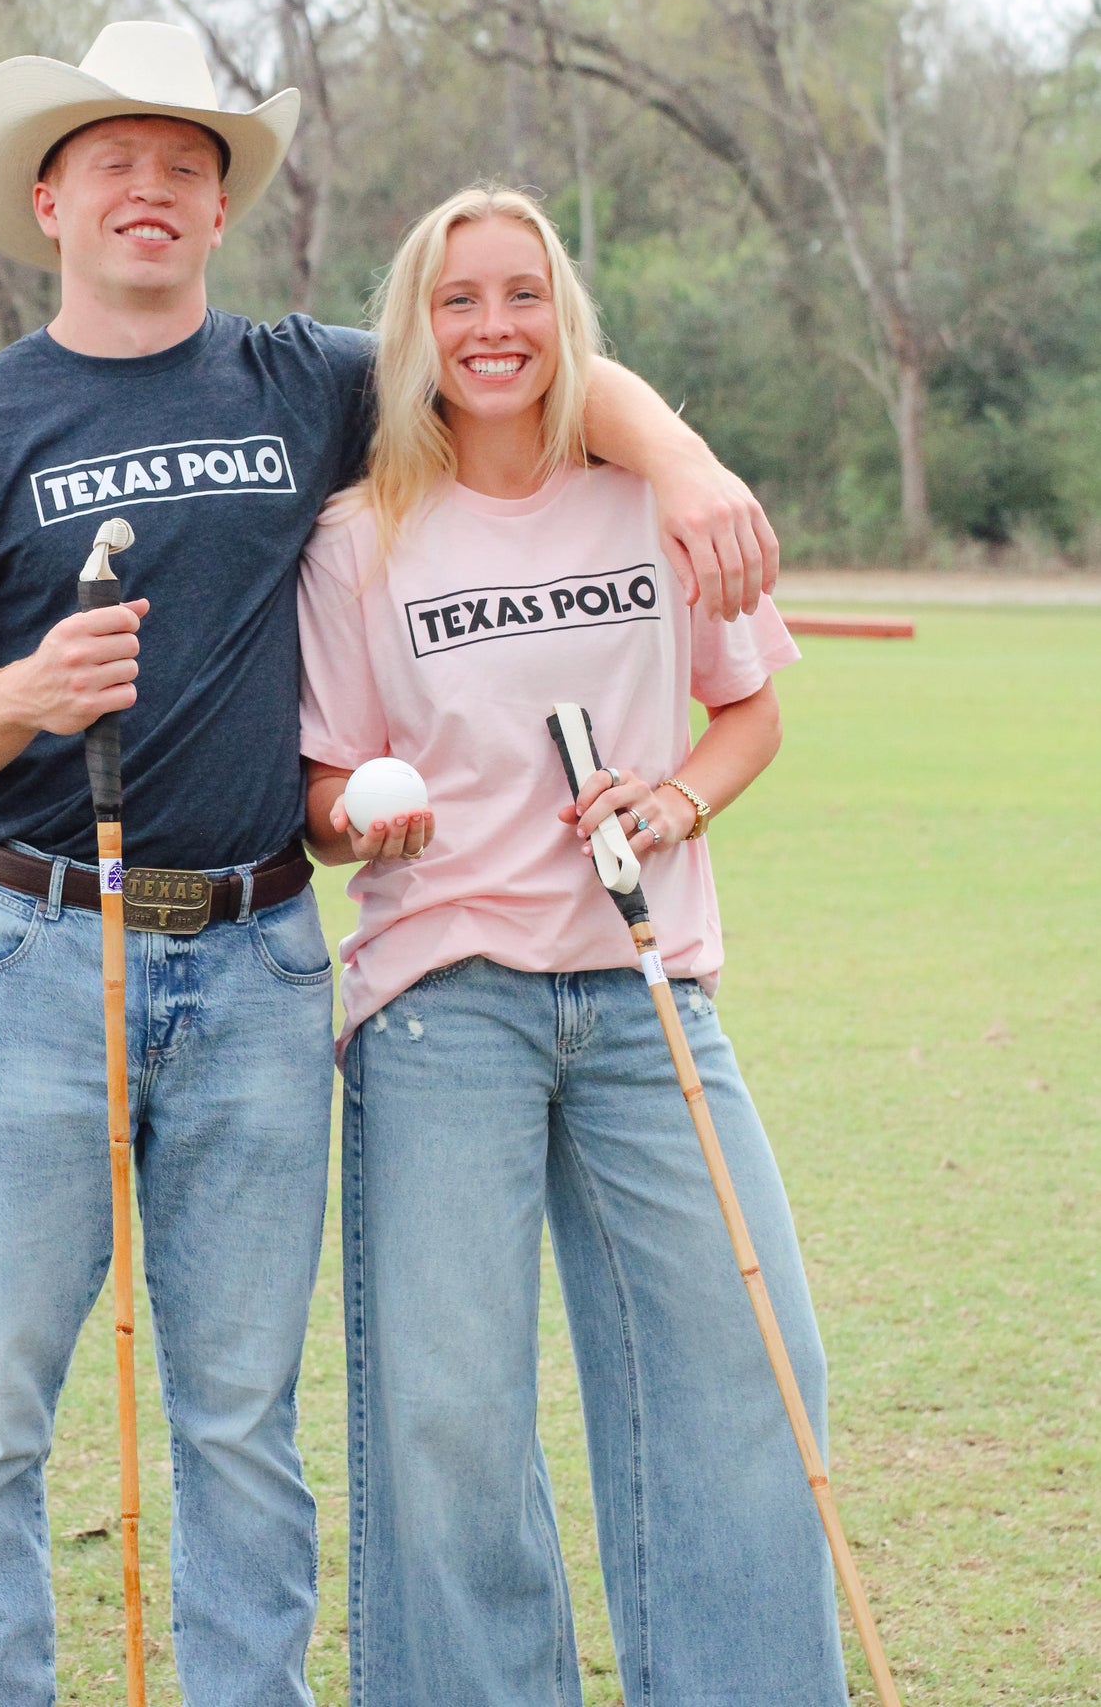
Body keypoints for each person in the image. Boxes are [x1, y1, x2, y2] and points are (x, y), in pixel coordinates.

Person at [0, 20, 779, 1707]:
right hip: (40, 960)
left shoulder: (304, 376)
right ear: (51, 195)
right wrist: (25, 692)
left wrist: (682, 460)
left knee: (236, 1414)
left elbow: (526, 352)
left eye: (186, 168)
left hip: (265, 959)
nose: (150, 191)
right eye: (117, 164)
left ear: (220, 212)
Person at [298, 186, 848, 1707]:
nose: (492, 329)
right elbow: (327, 783)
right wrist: (364, 822)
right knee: (451, 1417)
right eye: (458, 301)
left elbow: (747, 715)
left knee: (751, 1370)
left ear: (565, 320)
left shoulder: (648, 503)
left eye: (521, 296)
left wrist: (671, 799)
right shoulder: (360, 539)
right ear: (415, 329)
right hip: (439, 1006)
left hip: (642, 993)